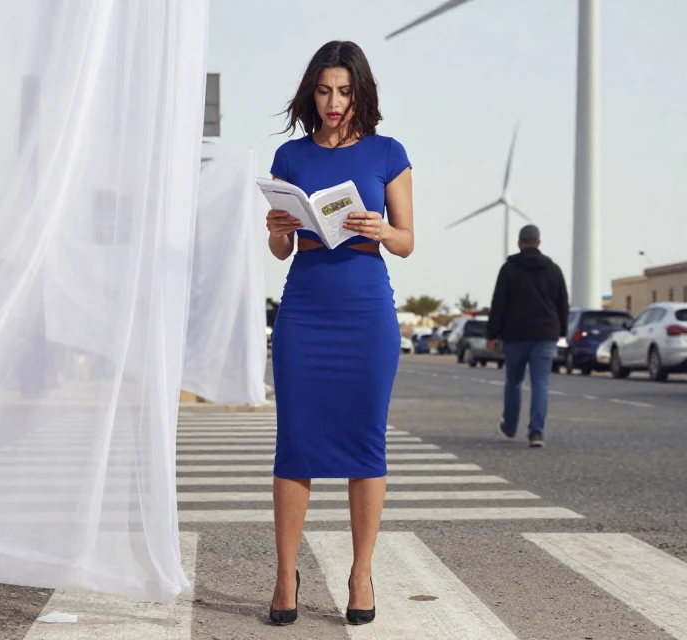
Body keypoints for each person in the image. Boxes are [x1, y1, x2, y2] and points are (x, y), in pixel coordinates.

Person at [265, 40, 414, 627]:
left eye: (345, 92)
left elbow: (407, 242)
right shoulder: (290, 156)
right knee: (295, 443)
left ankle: (360, 574)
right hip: (304, 312)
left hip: (365, 313)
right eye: (325, 91)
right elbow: (280, 250)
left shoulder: (387, 152)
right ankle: (285, 575)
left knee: (365, 444)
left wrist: (380, 228)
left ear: (360, 94)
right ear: (312, 93)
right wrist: (278, 227)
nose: (334, 102)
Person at [485, 225, 569, 448]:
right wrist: (562, 331)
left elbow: (499, 303)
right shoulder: (554, 270)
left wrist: (493, 333)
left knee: (514, 381)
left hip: (516, 334)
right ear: (538, 242)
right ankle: (536, 432)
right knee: (541, 382)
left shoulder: (509, 269)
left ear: (519, 243)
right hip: (546, 334)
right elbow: (563, 304)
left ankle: (510, 427)